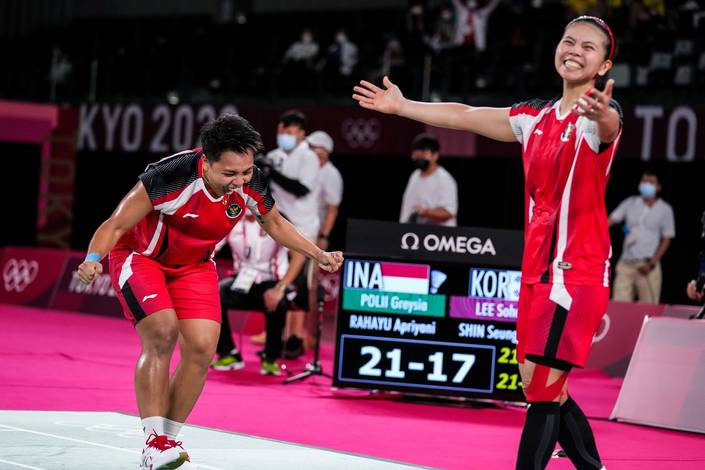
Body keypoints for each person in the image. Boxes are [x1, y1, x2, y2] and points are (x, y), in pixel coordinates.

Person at [354, 15, 620, 470]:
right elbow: (465, 115)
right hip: (535, 271)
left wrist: (603, 114)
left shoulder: (594, 123)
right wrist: (403, 107)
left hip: (573, 275)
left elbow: (610, 126)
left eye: (588, 47)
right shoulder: (533, 117)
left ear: (604, 65)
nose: (574, 49)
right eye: (568, 40)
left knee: (541, 393)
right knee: (542, 386)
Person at [76, 114, 343, 470]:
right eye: (229, 174)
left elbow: (275, 222)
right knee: (162, 332)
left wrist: (318, 254)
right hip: (141, 257)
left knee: (202, 348)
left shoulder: (251, 181)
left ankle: (169, 439)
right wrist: (94, 258)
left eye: (246, 172)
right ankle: (153, 443)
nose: (239, 182)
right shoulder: (169, 175)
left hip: (195, 265)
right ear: (206, 161)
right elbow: (117, 222)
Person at [211, 209, 306, 376]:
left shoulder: (276, 220)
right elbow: (210, 247)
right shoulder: (229, 219)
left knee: (279, 303)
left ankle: (271, 358)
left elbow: (299, 256)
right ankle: (228, 353)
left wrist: (280, 288)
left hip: (272, 281)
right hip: (242, 280)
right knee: (215, 294)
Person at [261, 110, 321, 358]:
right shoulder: (273, 156)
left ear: (301, 133)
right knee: (275, 278)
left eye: (290, 131)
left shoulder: (309, 157)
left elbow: (301, 189)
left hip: (304, 227)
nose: (285, 135)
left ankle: (297, 337)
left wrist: (271, 172)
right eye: (282, 131)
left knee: (299, 284)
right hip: (277, 226)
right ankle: (278, 337)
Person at [608, 171, 675, 304]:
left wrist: (652, 263)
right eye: (644, 181)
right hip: (626, 264)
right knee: (619, 306)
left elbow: (667, 238)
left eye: (651, 182)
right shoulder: (630, 203)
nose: (646, 185)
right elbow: (609, 221)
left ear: (658, 187)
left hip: (647, 266)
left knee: (648, 308)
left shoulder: (665, 209)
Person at [305, 130, 344, 346]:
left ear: (324, 153)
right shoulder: (306, 169)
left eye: (314, 150)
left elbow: (332, 209)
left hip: (315, 235)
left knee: (310, 286)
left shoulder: (331, 174)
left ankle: (310, 335)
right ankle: (281, 332)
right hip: (298, 231)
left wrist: (323, 237)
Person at [399, 133, 458, 227]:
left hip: (439, 236)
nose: (419, 158)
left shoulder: (445, 179)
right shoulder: (414, 176)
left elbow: (449, 212)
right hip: (412, 232)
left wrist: (426, 212)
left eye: (424, 154)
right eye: (416, 154)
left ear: (435, 155)